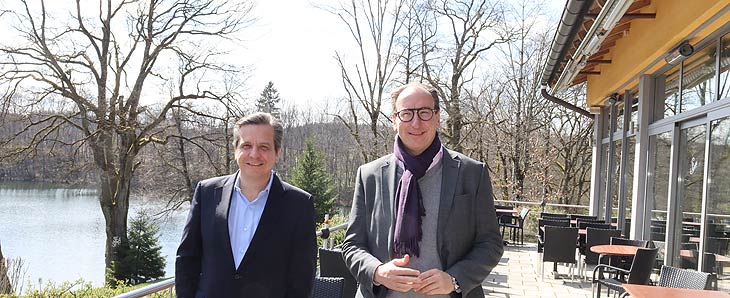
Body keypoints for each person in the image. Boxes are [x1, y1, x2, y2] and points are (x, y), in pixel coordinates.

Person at [342, 83, 503, 298]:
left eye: (425, 113)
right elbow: (353, 245)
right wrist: (377, 272)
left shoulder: (472, 173)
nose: (416, 123)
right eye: (406, 114)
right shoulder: (369, 175)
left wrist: (454, 280)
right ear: (394, 120)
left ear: (437, 117)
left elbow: (490, 244)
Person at [175, 112, 317, 298]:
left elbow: (302, 279)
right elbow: (187, 259)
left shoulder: (299, 204)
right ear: (235, 150)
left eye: (264, 147)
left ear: (277, 153)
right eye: (246, 145)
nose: (254, 154)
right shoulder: (207, 193)